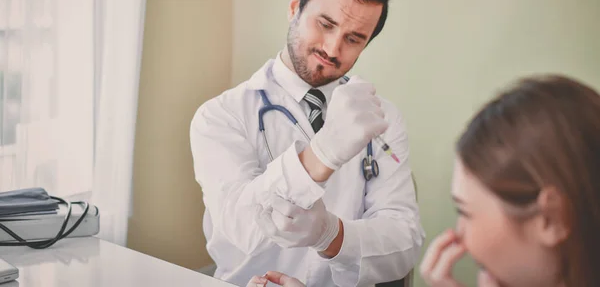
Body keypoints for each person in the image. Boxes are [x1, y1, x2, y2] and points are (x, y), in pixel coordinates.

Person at [190, 0, 424, 287]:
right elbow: (242, 230)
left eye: (354, 38)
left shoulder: (382, 117)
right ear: (295, 7)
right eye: (325, 24)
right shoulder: (220, 117)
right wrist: (322, 154)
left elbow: (404, 243)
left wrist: (331, 235)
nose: (332, 49)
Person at [248, 75, 600, 287]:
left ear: (551, 219)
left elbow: (402, 237)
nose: (456, 233)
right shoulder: (226, 112)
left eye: (465, 211)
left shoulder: (387, 120)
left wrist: (328, 233)